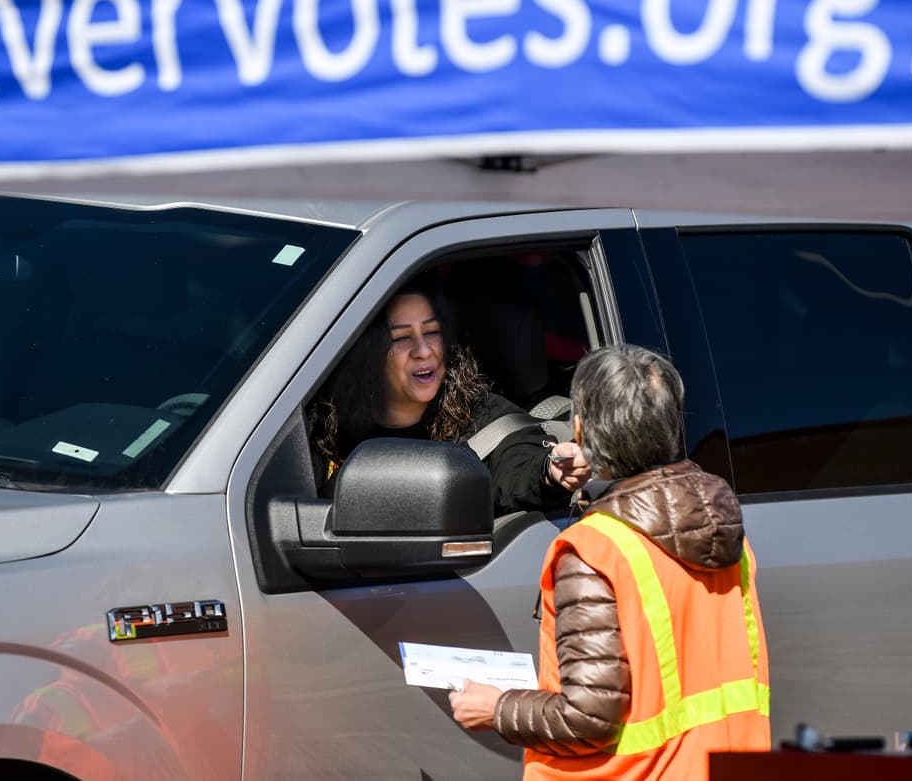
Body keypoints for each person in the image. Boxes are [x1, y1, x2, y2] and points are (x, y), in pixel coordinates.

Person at [449, 344, 770, 780]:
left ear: (579, 429)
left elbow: (588, 719)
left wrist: (496, 708)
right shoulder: (723, 528)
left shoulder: (595, 552)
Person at [308, 278, 590, 515]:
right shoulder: (322, 419)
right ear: (369, 354)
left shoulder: (488, 421)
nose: (423, 350)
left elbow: (518, 467)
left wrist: (549, 471)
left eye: (432, 333)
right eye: (401, 338)